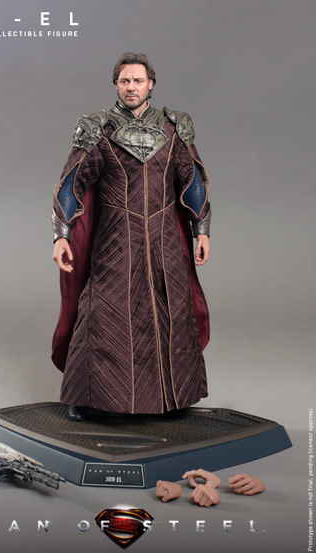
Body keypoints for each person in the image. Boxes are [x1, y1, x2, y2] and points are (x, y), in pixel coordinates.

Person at [52, 52, 211, 421]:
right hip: (115, 239)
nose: (131, 87)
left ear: (150, 84)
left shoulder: (173, 128)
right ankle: (89, 398)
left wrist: (201, 230)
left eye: (138, 80)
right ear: (116, 85)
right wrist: (61, 235)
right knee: (104, 314)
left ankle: (171, 398)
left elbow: (191, 181)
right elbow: (72, 183)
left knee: (169, 310)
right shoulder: (99, 129)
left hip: (164, 240)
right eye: (125, 81)